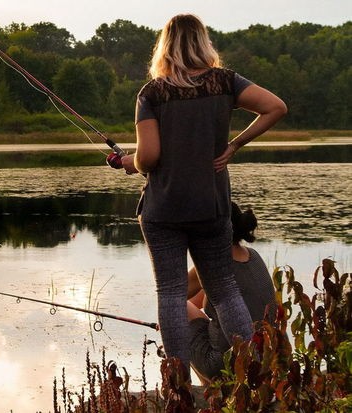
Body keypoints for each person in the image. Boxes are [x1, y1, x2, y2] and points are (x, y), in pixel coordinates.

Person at [120, 14, 287, 372]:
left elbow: (149, 159)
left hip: (163, 211)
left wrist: (127, 161)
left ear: (165, 46)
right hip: (211, 207)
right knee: (224, 290)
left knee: (170, 293)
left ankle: (177, 382)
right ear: (203, 42)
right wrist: (236, 143)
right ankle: (251, 372)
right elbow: (276, 106)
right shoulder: (226, 83)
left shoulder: (152, 93)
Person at [187, 202, 276, 383]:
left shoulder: (212, 263)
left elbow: (172, 296)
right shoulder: (253, 256)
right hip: (264, 359)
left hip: (225, 364)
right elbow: (199, 300)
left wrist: (170, 326)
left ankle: (207, 385)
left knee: (174, 309)